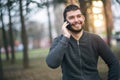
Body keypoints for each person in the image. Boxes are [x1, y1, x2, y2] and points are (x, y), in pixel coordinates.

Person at [46, 4, 120, 80]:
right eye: (71, 17)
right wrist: (65, 38)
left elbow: (114, 62)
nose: (76, 20)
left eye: (79, 16)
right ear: (65, 22)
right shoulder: (59, 41)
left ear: (83, 18)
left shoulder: (95, 39)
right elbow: (52, 64)